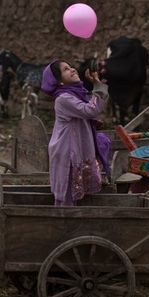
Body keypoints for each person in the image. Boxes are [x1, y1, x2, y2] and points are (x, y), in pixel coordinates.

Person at [41, 60, 112, 206]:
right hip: (67, 151)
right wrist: (97, 85)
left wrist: (96, 85)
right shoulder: (63, 99)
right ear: (59, 81)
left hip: (74, 147)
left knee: (76, 187)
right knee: (67, 189)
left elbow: (92, 107)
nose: (72, 69)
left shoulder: (76, 93)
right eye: (66, 69)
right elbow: (91, 110)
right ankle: (63, 222)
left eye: (71, 67)